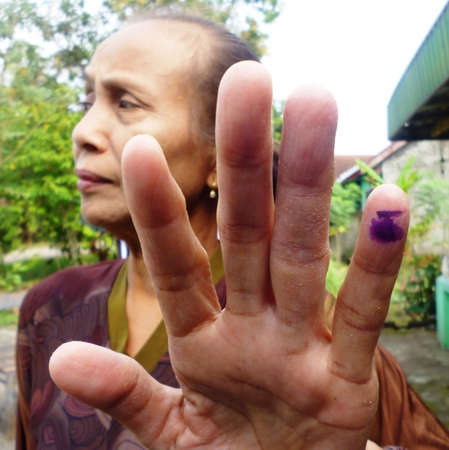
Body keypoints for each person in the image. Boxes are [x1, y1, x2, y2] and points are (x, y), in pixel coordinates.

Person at [16, 10, 449, 450]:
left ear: (219, 154)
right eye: (86, 102)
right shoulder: (49, 307)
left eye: (126, 102)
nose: (82, 132)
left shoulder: (318, 341)